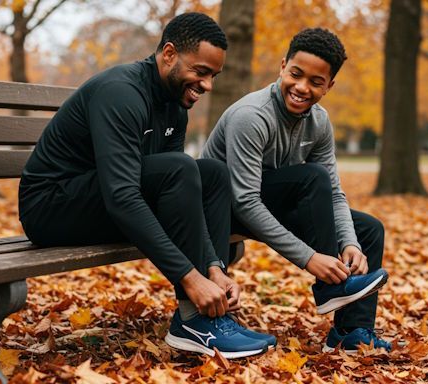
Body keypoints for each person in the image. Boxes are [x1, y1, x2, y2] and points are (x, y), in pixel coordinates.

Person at [18, 12, 272, 359]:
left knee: (211, 172)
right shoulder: (121, 93)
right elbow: (123, 196)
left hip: (99, 200)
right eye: (200, 72)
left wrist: (213, 267)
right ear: (169, 54)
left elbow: (180, 186)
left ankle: (207, 316)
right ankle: (194, 318)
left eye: (213, 75)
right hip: (52, 206)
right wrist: (190, 277)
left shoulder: (175, 106)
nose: (207, 85)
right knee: (183, 168)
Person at [201, 28, 392, 353]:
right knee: (311, 177)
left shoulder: (319, 122)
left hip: (269, 203)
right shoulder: (252, 116)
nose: (302, 87)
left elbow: (333, 192)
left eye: (316, 82)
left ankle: (351, 332)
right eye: (296, 74)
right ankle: (332, 286)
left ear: (329, 86)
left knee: (368, 230)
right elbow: (245, 201)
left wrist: (349, 242)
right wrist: (310, 259)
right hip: (224, 209)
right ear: (282, 66)